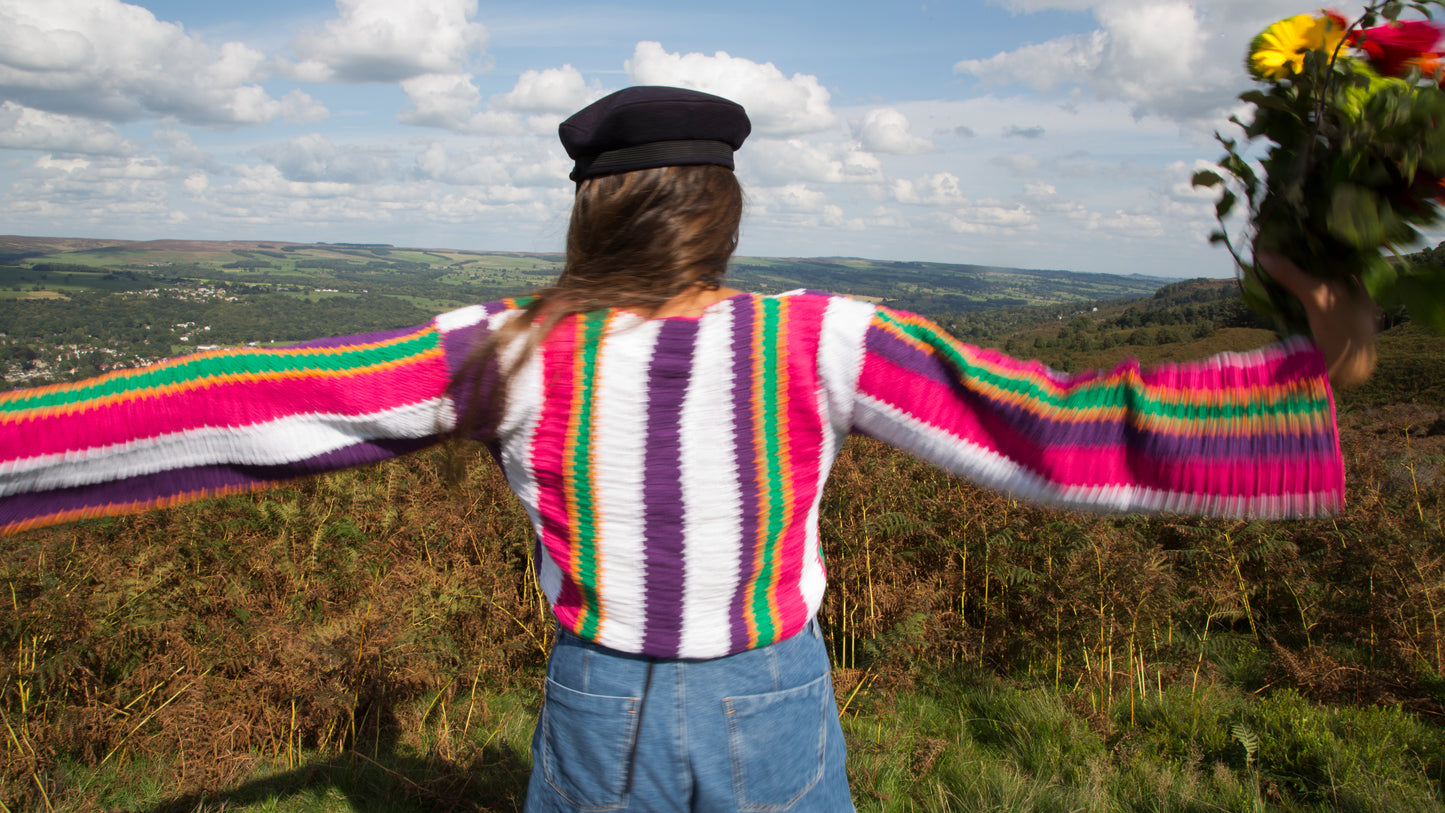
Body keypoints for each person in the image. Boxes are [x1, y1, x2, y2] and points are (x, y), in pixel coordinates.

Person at [0, 86, 1375, 811]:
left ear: (594, 214)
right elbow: (1059, 431)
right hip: (778, 696)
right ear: (717, 212)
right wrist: (1304, 369)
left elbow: (247, 400)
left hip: (598, 703)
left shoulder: (508, 344)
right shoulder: (820, 336)